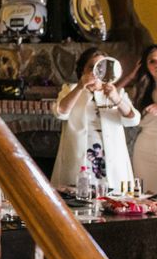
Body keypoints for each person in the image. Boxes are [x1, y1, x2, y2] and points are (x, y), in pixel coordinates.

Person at [51, 47, 140, 192]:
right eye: (90, 66)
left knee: (112, 199)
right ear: (83, 70)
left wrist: (116, 99)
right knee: (77, 198)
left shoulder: (117, 92)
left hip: (110, 155)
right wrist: (80, 86)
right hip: (80, 155)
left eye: (100, 66)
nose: (95, 71)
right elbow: (60, 113)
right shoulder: (70, 89)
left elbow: (133, 120)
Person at [132, 45, 157, 194]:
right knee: (145, 198)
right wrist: (131, 76)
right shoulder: (143, 89)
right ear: (146, 66)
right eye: (152, 61)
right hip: (144, 149)